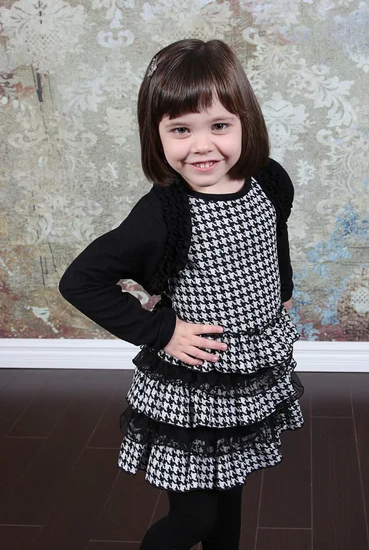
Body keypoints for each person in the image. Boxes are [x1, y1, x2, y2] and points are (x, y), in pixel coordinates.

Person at [59, 38, 305, 550]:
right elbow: (80, 281)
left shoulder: (268, 180)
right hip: (193, 383)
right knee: (195, 519)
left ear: (246, 123)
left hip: (248, 371)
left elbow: (274, 232)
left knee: (231, 494)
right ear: (158, 136)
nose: (202, 146)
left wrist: (280, 287)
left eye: (219, 125)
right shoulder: (163, 213)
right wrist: (162, 330)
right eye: (180, 130)